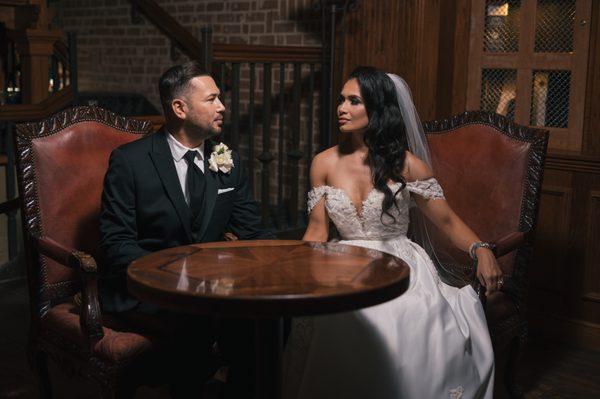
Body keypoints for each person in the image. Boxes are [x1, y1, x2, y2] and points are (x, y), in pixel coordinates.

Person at [282, 66, 499, 398]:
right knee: (333, 316)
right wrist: (297, 275)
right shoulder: (323, 162)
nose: (341, 108)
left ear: (378, 108)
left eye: (354, 101)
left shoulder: (407, 165)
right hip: (340, 265)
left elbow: (447, 222)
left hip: (398, 263)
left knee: (399, 314)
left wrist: (481, 249)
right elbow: (316, 230)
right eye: (341, 99)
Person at [99, 60, 274, 398]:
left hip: (210, 291)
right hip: (147, 292)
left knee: (267, 319)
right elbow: (116, 242)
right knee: (196, 323)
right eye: (211, 99)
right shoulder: (130, 162)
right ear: (179, 107)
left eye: (220, 98)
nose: (222, 107)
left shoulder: (228, 162)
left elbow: (252, 231)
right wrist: (176, 279)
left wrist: (285, 266)